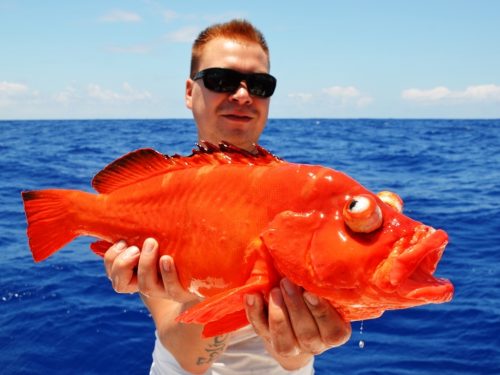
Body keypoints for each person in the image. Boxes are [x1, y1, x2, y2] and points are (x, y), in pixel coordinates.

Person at [103, 19, 351, 374]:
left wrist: (305, 342)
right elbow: (189, 358)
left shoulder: (297, 197)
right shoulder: (156, 198)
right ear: (189, 92)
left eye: (260, 85)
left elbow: (292, 358)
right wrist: (208, 288)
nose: (243, 95)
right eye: (222, 80)